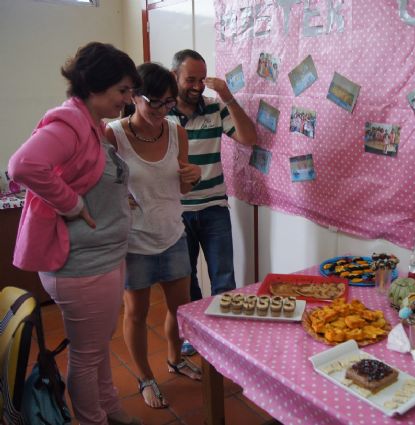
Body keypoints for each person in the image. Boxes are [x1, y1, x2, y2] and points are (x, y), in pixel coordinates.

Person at [8, 42, 142, 425]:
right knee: (86, 356)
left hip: (103, 256)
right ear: (94, 87)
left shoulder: (91, 125)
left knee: (97, 348)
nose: (127, 99)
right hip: (81, 264)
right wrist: (72, 204)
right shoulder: (69, 124)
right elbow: (22, 166)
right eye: (122, 90)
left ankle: (109, 409)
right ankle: (93, 419)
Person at [105, 63, 203, 409]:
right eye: (155, 103)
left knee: (181, 308)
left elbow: (184, 184)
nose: (163, 111)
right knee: (136, 312)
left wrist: (194, 173)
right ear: (134, 97)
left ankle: (175, 359)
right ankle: (145, 376)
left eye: (169, 103)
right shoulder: (112, 135)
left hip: (172, 232)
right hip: (134, 241)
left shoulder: (177, 132)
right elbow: (100, 183)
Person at [167, 50, 256, 355]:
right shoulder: (161, 116)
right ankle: (196, 335)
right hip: (177, 213)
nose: (197, 86)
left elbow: (248, 137)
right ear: (174, 76)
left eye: (201, 79)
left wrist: (228, 95)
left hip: (214, 206)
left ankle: (225, 339)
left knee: (223, 277)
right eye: (189, 79)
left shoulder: (215, 108)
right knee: (187, 280)